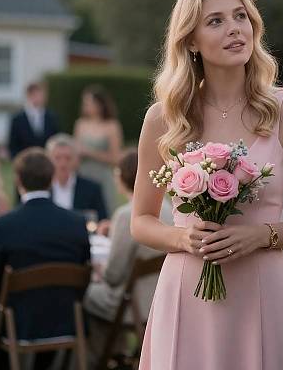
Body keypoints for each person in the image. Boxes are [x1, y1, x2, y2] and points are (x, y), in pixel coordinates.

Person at [131, 0, 283, 370]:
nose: (235, 28)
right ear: (190, 40)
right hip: (187, 291)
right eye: (215, 20)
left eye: (240, 16)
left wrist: (260, 236)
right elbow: (140, 220)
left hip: (262, 288)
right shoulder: (163, 119)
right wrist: (182, 237)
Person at [0, 147, 90, 370]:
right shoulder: (76, 222)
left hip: (19, 324)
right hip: (66, 320)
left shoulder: (4, 226)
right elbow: (83, 280)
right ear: (51, 178)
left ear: (17, 180)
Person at [84, 148, 173, 366]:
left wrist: (96, 269)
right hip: (159, 297)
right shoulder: (168, 208)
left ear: (121, 177)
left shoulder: (127, 215)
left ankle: (97, 359)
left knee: (83, 292)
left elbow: (113, 276)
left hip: (133, 304)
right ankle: (117, 353)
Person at [74, 85, 123, 214]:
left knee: (105, 212)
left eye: (89, 103)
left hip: (103, 177)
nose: (86, 106)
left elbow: (116, 158)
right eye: (85, 103)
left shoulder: (112, 126)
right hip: (84, 174)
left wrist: (90, 152)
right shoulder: (80, 124)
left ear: (100, 104)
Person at [46, 133, 108, 221]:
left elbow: (102, 220)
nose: (63, 164)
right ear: (48, 160)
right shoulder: (42, 188)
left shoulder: (92, 188)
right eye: (57, 158)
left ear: (76, 160)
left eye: (68, 158)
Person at [8, 82, 60, 159]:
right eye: (37, 95)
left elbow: (56, 139)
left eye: (42, 95)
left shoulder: (52, 117)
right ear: (29, 95)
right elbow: (13, 145)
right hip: (25, 162)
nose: (41, 98)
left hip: (47, 161)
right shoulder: (17, 118)